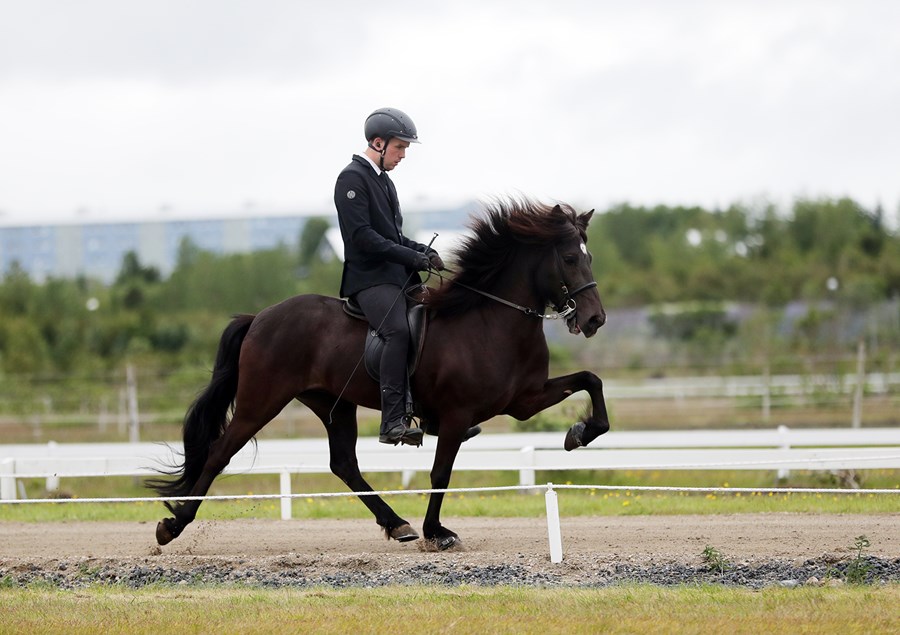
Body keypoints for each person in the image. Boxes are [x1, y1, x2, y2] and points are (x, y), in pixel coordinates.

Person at [334, 107, 444, 446]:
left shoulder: (385, 182)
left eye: (405, 148)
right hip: (369, 278)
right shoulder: (351, 179)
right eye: (399, 147)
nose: (403, 155)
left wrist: (424, 252)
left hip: (396, 276)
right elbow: (363, 237)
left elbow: (393, 236)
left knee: (436, 321)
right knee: (397, 331)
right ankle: (393, 421)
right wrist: (411, 257)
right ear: (378, 143)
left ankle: (433, 413)